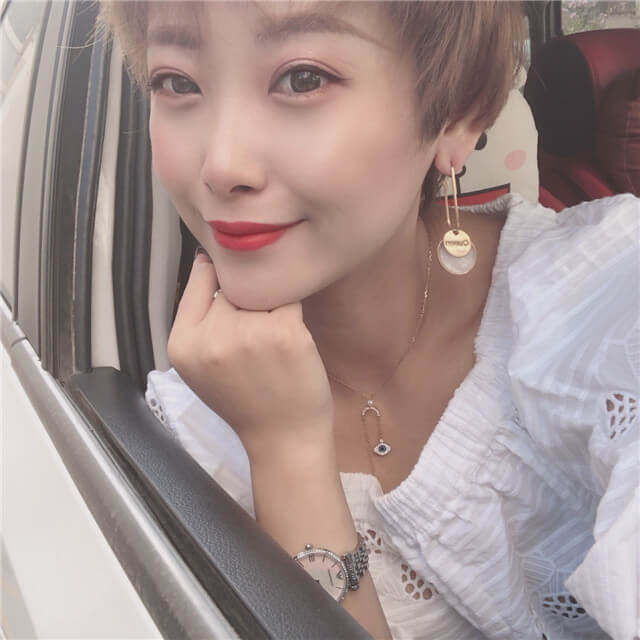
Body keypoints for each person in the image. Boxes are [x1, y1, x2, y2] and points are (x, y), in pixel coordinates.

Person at [98, 3, 639, 639]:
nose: (222, 166)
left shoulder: (603, 299)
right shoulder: (173, 438)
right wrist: (285, 450)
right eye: (176, 82)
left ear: (457, 114)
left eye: (302, 79)